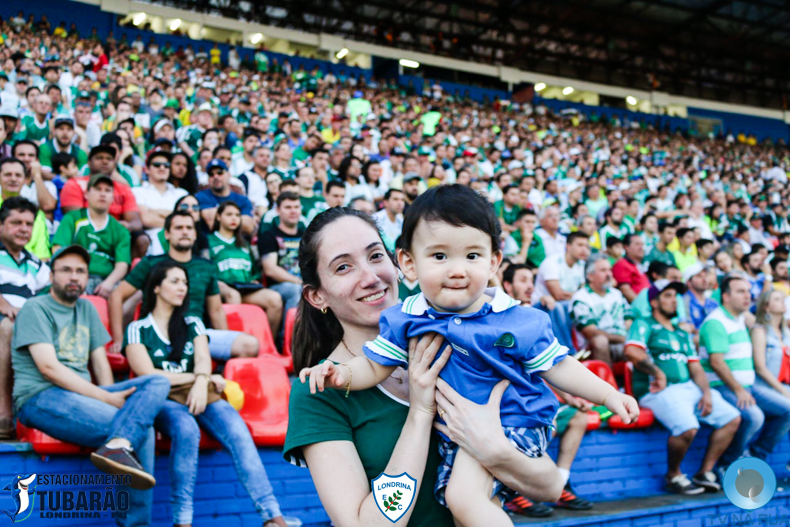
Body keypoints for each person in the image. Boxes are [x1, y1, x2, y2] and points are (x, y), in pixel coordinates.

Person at [300, 185, 638, 526]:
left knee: (464, 499)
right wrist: (416, 411)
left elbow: (550, 486)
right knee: (464, 503)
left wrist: (495, 448)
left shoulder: (505, 318)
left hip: (513, 426)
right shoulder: (323, 388)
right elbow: (372, 365)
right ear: (410, 261)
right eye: (343, 267)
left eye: (375, 256)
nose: (371, 277)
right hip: (458, 451)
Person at [12, 245, 170, 526]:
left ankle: (119, 444)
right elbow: (49, 369)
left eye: (81, 271)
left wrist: (108, 395)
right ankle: (136, 522)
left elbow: (100, 363)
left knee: (157, 381)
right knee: (143, 430)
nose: (74, 277)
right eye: (66, 270)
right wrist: (105, 399)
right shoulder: (35, 307)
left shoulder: (86, 308)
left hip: (81, 395)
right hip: (40, 397)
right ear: (51, 276)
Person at [125, 261, 287, 527]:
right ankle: (183, 521)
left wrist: (202, 381)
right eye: (175, 281)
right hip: (163, 398)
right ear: (156, 287)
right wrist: (202, 378)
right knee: (187, 430)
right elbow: (150, 376)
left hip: (202, 393)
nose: (182, 287)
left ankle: (272, 516)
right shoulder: (138, 329)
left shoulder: (193, 323)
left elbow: (202, 359)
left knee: (238, 431)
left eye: (185, 283)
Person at [624, 279, 741, 495]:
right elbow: (631, 351)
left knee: (732, 418)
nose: (673, 301)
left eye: (675, 296)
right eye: (667, 295)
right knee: (688, 427)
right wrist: (657, 372)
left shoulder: (681, 332)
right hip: (656, 391)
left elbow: (696, 368)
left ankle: (704, 472)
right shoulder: (644, 323)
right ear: (654, 302)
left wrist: (706, 393)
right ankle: (674, 475)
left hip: (688, 388)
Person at [109, 211, 259, 361]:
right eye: (179, 228)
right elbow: (116, 296)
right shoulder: (151, 263)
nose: (185, 232)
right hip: (158, 334)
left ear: (195, 234)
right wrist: (118, 339)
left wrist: (225, 343)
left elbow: (216, 310)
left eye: (189, 228)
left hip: (196, 334)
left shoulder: (206, 267)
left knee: (249, 345)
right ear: (167, 234)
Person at [699, 276, 790, 473]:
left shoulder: (739, 318)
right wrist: (739, 390)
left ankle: (755, 457)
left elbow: (759, 322)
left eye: (748, 292)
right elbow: (716, 362)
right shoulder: (716, 322)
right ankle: (726, 465)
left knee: (787, 409)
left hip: (747, 386)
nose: (747, 296)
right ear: (726, 296)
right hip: (722, 386)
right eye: (740, 291)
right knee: (754, 416)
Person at [0, 197, 50, 438]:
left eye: (28, 224)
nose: (24, 229)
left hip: (29, 324)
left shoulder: (34, 263)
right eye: (16, 222)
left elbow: (52, 291)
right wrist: (3, 303)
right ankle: (3, 413)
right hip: (6, 323)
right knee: (9, 326)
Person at [209, 200, 283, 336]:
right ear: (218, 217)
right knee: (234, 295)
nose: (234, 218)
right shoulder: (209, 240)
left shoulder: (244, 243)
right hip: (222, 288)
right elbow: (206, 269)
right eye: (229, 214)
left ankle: (266, 343)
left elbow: (255, 270)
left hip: (245, 288)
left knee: (275, 299)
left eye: (237, 215)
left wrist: (255, 280)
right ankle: (235, 344)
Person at [52, 174, 131, 298]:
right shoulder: (72, 218)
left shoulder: (120, 230)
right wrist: (73, 278)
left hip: (106, 280)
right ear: (86, 194)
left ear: (112, 198)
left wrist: (108, 283)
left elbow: (122, 265)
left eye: (107, 190)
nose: (102, 194)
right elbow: (58, 249)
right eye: (97, 189)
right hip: (75, 276)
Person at [571, 254, 630, 364]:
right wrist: (622, 338)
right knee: (600, 341)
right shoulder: (581, 298)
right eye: (603, 270)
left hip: (623, 341)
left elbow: (629, 319)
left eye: (609, 270)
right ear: (590, 276)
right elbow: (591, 332)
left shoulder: (616, 294)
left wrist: (630, 339)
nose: (609, 274)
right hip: (592, 348)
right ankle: (606, 381)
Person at [258, 192, 304, 315]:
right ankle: (290, 333)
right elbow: (270, 269)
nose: (293, 211)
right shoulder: (269, 236)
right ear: (278, 210)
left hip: (304, 282)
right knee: (296, 290)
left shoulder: (306, 235)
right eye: (288, 207)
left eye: (296, 207)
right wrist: (299, 281)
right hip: (280, 286)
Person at [0, 157, 50, 260]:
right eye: (8, 175)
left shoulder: (37, 214)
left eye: (18, 175)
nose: (13, 179)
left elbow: (42, 256)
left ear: (24, 179)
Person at [133, 150, 188, 243]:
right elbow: (145, 219)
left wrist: (153, 211)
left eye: (166, 165)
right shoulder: (137, 191)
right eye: (157, 165)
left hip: (179, 246)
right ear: (146, 169)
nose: (162, 168)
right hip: (151, 248)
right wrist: (174, 217)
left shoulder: (181, 194)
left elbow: (187, 221)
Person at [196, 159, 255, 236]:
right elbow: (210, 222)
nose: (216, 177)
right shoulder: (201, 197)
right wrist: (237, 217)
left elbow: (248, 227)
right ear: (208, 179)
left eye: (220, 173)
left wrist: (218, 214)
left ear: (229, 175)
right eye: (211, 174)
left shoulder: (242, 200)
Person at [612, 233, 649, 302]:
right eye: (637, 244)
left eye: (642, 244)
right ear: (626, 247)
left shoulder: (637, 265)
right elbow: (625, 290)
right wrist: (642, 307)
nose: (641, 248)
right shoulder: (622, 264)